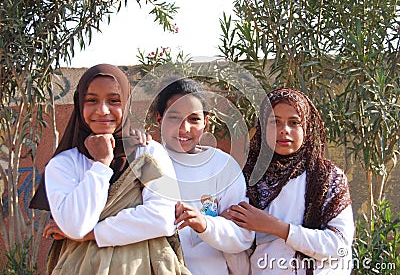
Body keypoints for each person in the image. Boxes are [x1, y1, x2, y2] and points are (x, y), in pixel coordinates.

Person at [29, 64, 190, 275]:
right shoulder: (63, 165)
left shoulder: (148, 153)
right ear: (79, 105)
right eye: (91, 100)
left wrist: (91, 234)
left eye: (114, 101)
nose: (103, 110)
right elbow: (76, 225)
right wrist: (102, 163)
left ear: (127, 103)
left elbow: (162, 219)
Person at [223, 88, 354, 275]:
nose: (284, 130)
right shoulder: (246, 179)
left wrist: (276, 227)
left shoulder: (328, 177)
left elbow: (339, 245)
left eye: (294, 122)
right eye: (275, 122)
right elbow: (239, 254)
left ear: (307, 128)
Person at [154, 78, 254, 275]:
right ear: (159, 119)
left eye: (194, 119)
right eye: (174, 117)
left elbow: (243, 236)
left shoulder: (223, 167)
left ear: (206, 123)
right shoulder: (148, 164)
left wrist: (206, 225)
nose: (185, 128)